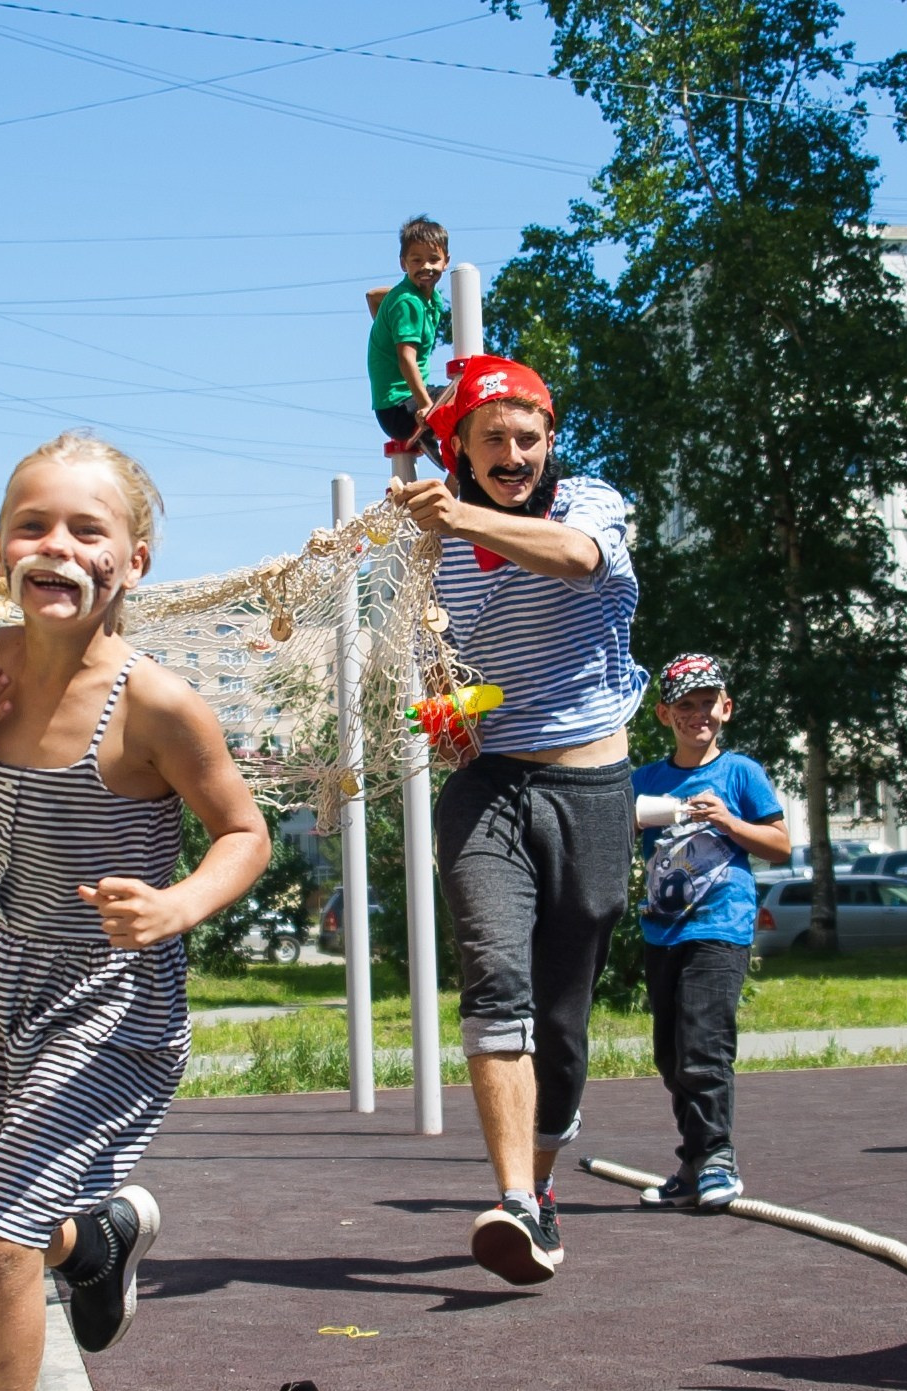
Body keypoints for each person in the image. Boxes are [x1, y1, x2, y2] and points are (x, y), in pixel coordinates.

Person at [0, 433, 268, 1391]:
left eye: (84, 528)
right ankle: (96, 1238)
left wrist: (178, 904)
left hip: (102, 998)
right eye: (32, 523)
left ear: (133, 560)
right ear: (4, 544)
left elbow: (243, 833)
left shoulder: (155, 705)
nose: (53, 544)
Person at [389, 355, 643, 1286]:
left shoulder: (589, 502)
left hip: (590, 789)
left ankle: (541, 1183)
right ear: (458, 447)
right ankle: (513, 1201)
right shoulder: (428, 547)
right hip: (487, 785)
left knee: (562, 1027)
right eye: (491, 438)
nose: (512, 453)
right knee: (495, 978)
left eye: (527, 437)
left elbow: (576, 561)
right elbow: (438, 676)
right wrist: (443, 707)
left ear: (548, 442)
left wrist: (460, 518)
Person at [629, 655, 790, 1210]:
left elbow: (780, 846)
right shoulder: (645, 781)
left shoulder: (741, 772)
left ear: (726, 708)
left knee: (703, 1045)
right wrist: (630, 818)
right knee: (671, 1055)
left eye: (707, 703)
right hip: (662, 931)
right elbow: (610, 833)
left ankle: (718, 1157)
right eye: (685, 705)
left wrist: (728, 821)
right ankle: (694, 1164)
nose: (698, 714)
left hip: (720, 927)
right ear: (664, 714)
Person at [365, 217, 450, 456]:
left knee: (463, 395)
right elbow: (406, 359)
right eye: (417, 260)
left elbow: (372, 296)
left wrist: (387, 329)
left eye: (433, 259)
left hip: (395, 405)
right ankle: (457, 469)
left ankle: (436, 443)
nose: (426, 267)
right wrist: (425, 404)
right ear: (404, 263)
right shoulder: (408, 302)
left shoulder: (426, 298)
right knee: (469, 401)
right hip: (400, 407)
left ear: (446, 261)